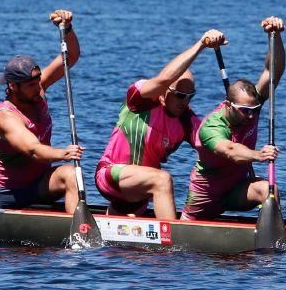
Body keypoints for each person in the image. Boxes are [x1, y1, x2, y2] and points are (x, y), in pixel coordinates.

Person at [96, 29, 227, 220]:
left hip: (138, 195)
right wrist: (201, 45)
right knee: (162, 179)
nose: (185, 102)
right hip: (110, 176)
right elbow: (164, 79)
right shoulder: (141, 100)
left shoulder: (186, 120)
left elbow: (213, 144)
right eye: (180, 96)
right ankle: (173, 241)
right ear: (164, 91)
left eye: (190, 97)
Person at [180, 16, 286, 221]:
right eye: (245, 110)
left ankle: (272, 244)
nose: (251, 114)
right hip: (206, 193)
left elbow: (273, 73)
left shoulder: (251, 107)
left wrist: (276, 36)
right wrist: (259, 155)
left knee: (268, 190)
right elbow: (231, 151)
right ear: (228, 105)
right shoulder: (210, 126)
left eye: (255, 109)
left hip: (236, 189)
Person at [0, 9, 84, 213]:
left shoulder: (37, 89)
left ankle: (78, 234)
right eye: (30, 84)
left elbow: (70, 56)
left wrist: (68, 29)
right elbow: (33, 149)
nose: (37, 86)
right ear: (13, 86)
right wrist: (62, 153)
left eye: (38, 80)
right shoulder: (5, 117)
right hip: (8, 193)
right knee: (66, 165)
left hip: (39, 183)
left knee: (72, 174)